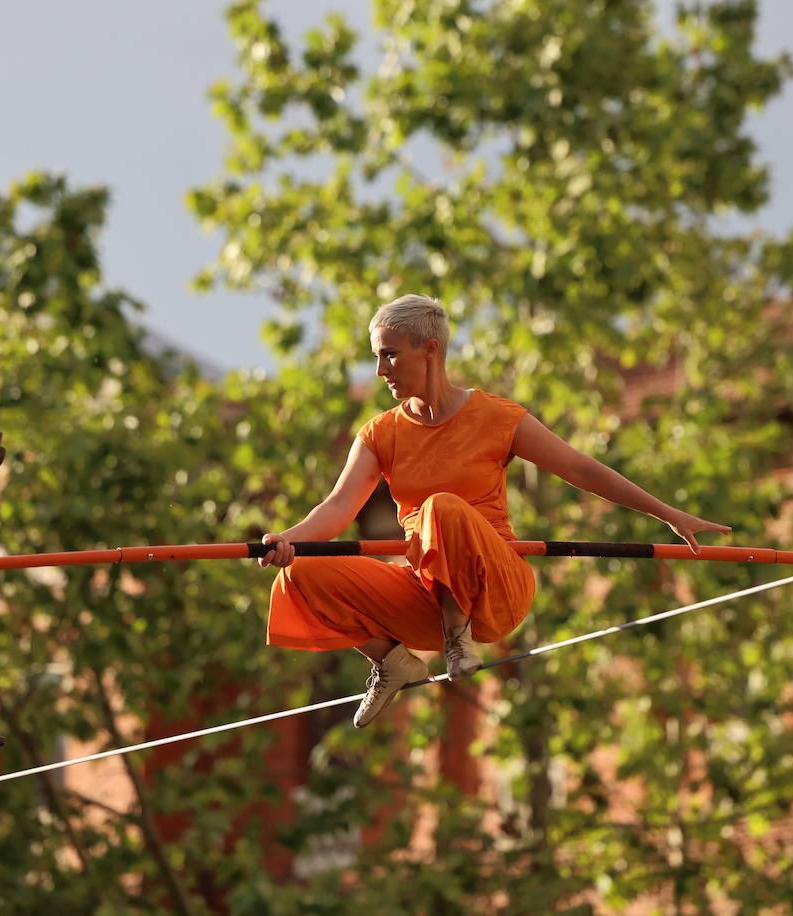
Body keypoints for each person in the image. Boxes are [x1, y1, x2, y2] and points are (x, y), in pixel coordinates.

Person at [258, 294, 731, 728]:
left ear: (431, 351)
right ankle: (393, 661)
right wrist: (289, 539)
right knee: (301, 569)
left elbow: (579, 468)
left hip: (495, 588)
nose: (380, 369)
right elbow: (339, 506)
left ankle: (459, 634)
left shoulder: (497, 417)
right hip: (423, 597)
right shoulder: (380, 433)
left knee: (441, 508)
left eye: (390, 354)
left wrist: (669, 513)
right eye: (377, 356)